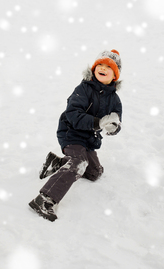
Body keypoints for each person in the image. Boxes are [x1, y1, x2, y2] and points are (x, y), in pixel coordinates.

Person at [29, 49, 123, 221]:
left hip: (88, 139)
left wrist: (113, 128)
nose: (103, 68)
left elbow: (117, 121)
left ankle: (57, 163)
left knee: (94, 172)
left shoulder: (114, 100)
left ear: (115, 75)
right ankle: (45, 199)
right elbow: (72, 114)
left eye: (108, 67)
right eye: (99, 65)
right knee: (79, 163)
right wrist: (97, 123)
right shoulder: (84, 89)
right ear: (94, 69)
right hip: (71, 132)